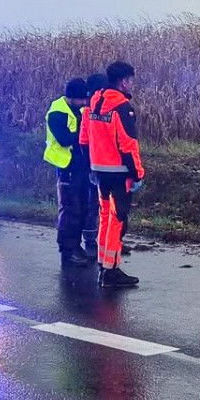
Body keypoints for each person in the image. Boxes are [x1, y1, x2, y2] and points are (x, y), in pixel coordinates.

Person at [81, 61, 144, 288]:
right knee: (118, 220)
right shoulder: (121, 107)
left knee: (106, 218)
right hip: (119, 173)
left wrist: (92, 166)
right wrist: (137, 173)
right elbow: (128, 144)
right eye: (130, 80)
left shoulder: (94, 103)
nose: (131, 85)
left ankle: (104, 264)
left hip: (100, 171)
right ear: (123, 81)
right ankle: (111, 271)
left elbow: (84, 140)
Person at [45, 76, 97, 266]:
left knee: (82, 208)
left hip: (81, 167)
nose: (84, 103)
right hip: (66, 168)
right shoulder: (57, 112)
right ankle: (67, 249)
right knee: (70, 211)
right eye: (81, 99)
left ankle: (77, 246)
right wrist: (84, 134)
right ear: (71, 97)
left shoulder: (79, 109)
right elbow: (65, 139)